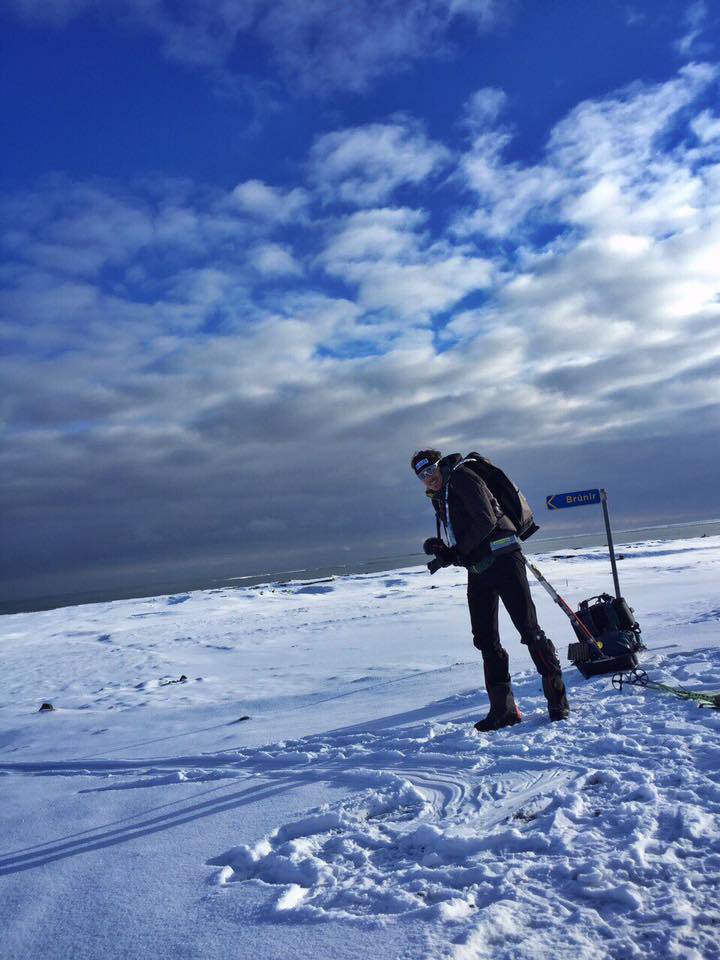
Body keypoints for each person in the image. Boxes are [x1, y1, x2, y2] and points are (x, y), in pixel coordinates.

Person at [411, 449, 569, 731]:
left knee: (529, 630)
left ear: (440, 465)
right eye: (422, 476)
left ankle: (558, 701)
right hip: (479, 567)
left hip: (505, 558)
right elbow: (466, 535)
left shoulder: (463, 478)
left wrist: (456, 553)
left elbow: (485, 519)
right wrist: (446, 553)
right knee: (485, 638)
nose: (428, 478)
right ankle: (503, 710)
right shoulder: (441, 496)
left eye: (430, 470)